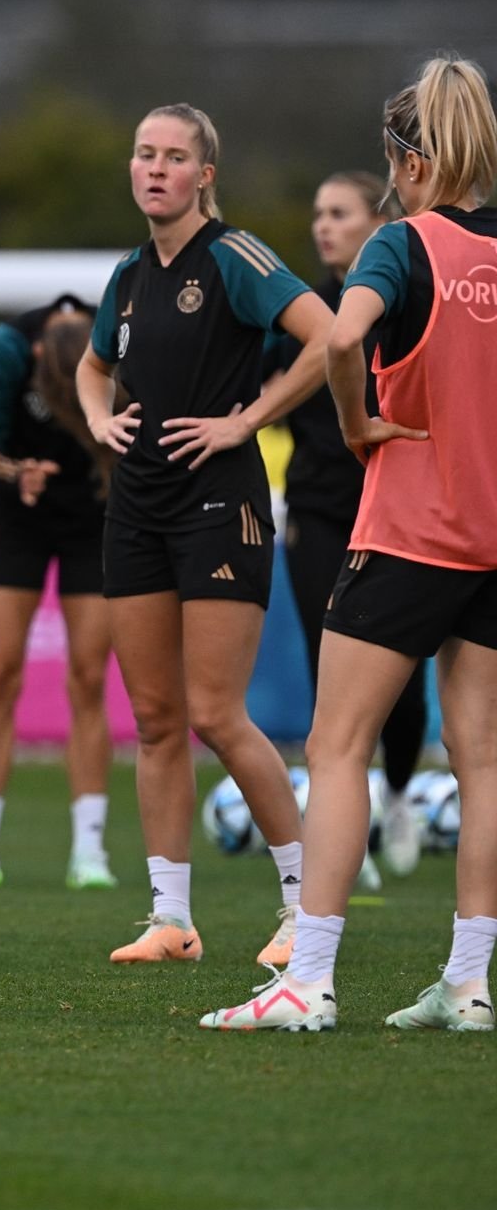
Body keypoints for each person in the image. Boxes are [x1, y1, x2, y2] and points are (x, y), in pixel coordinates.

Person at [203, 57, 497, 1032]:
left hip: (410, 536)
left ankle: (309, 980)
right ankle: (467, 983)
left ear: (405, 162)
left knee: (335, 747)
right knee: (481, 763)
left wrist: (359, 420)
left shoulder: (399, 245)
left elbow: (336, 339)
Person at [74, 103, 335, 968]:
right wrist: (97, 419)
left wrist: (246, 421)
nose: (155, 168)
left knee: (220, 714)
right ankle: (171, 920)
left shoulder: (235, 257)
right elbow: (91, 364)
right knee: (155, 720)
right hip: (137, 508)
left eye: (174, 156)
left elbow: (328, 337)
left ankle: (305, 910)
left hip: (221, 504)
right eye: (144, 153)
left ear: (204, 175)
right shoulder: (126, 274)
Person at [261, 170, 428, 879]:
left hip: (397, 512)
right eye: (317, 212)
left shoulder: (402, 296)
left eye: (340, 211)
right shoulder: (301, 313)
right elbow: (258, 395)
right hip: (319, 509)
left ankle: (395, 796)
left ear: (377, 220)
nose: (323, 225)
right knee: (331, 678)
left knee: (405, 686)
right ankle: (343, 832)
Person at [0, 298, 117, 890]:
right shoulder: (7, 349)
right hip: (18, 519)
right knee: (0, 672)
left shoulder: (117, 337)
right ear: (38, 358)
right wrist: (19, 472)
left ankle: (89, 851)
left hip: (93, 519)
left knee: (89, 678)